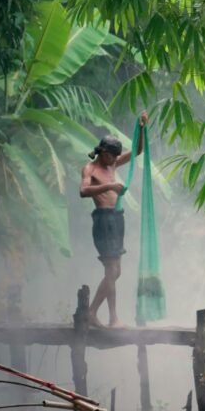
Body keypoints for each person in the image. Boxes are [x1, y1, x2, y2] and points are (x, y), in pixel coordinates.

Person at [79, 111, 147, 327]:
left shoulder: (112, 164)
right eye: (112, 156)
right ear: (104, 152)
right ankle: (91, 312)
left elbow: (137, 150)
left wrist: (142, 128)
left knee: (114, 271)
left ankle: (113, 317)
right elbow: (83, 191)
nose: (115, 160)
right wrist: (110, 186)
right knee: (113, 272)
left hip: (116, 218)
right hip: (103, 221)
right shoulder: (90, 168)